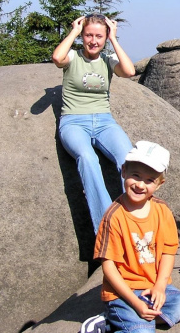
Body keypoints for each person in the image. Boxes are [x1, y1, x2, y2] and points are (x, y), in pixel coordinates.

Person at [89, 140, 180, 333]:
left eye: (149, 180)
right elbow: (109, 267)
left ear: (160, 183)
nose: (140, 185)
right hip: (122, 292)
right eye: (135, 175)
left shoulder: (161, 210)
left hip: (152, 287)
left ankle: (120, 323)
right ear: (124, 171)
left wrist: (160, 286)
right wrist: (135, 303)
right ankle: (120, 322)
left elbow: (169, 251)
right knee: (142, 330)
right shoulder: (115, 216)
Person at [52, 13, 136, 234]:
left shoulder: (108, 60)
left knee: (129, 158)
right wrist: (74, 31)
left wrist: (115, 40)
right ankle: (108, 225)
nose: (93, 41)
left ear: (106, 37)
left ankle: (136, 217)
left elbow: (129, 71)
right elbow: (57, 58)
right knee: (87, 158)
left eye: (99, 36)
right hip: (73, 122)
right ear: (82, 36)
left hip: (104, 122)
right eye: (88, 35)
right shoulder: (73, 57)